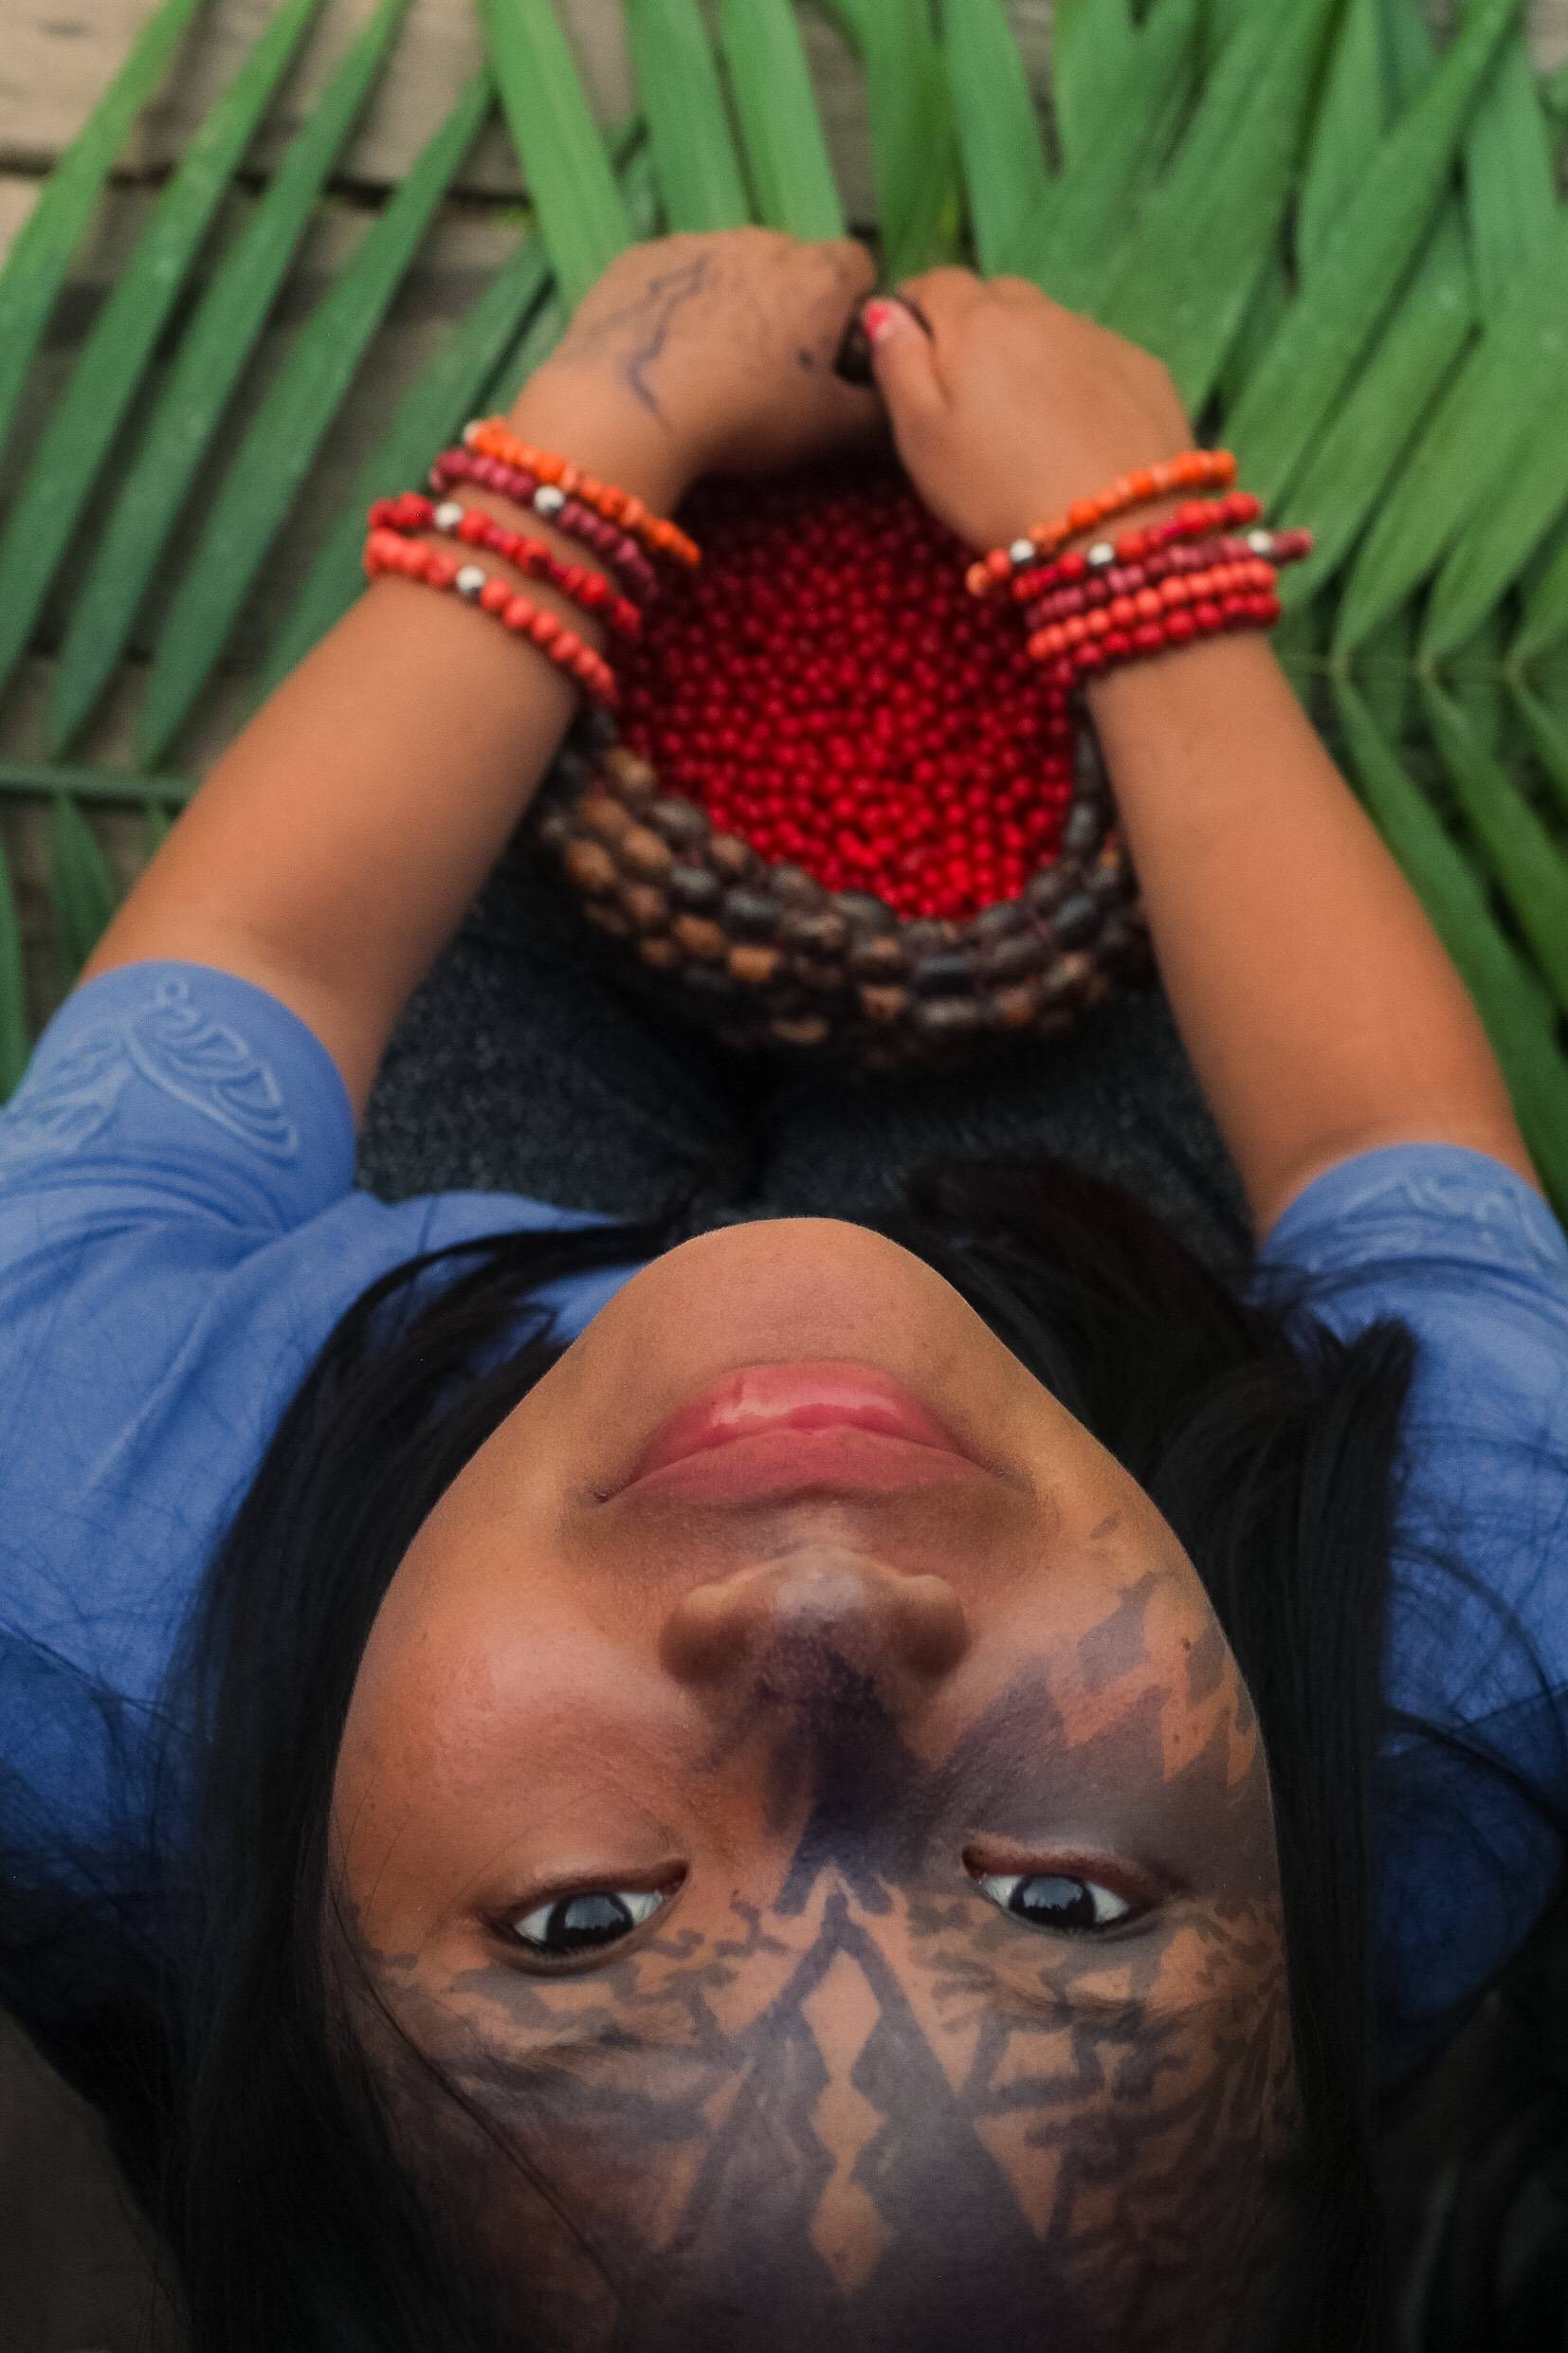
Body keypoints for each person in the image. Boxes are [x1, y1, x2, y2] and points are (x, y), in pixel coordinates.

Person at [1, 228, 1564, 2353]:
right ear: (1309, 1936)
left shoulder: (65, 1555)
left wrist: (595, 435)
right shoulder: (1456, 1658)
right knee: (1074, 1028)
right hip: (1103, 1351)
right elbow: (1383, 1147)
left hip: (389, 1363)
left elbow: (264, 970)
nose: (818, 1621)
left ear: (286, 1973)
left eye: (576, 1923)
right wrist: (1131, 565)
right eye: (1057, 1900)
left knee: (502, 944)